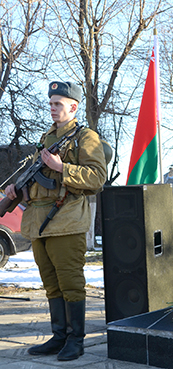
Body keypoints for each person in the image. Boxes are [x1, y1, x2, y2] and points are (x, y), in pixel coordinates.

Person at [5, 81, 107, 361]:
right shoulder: (47, 138)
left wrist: (62, 167)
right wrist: (17, 191)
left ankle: (76, 340)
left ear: (73, 107)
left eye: (57, 104)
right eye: (50, 103)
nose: (52, 108)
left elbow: (98, 178)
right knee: (50, 283)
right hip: (39, 222)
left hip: (67, 221)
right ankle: (59, 336)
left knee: (70, 282)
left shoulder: (86, 138)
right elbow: (38, 184)